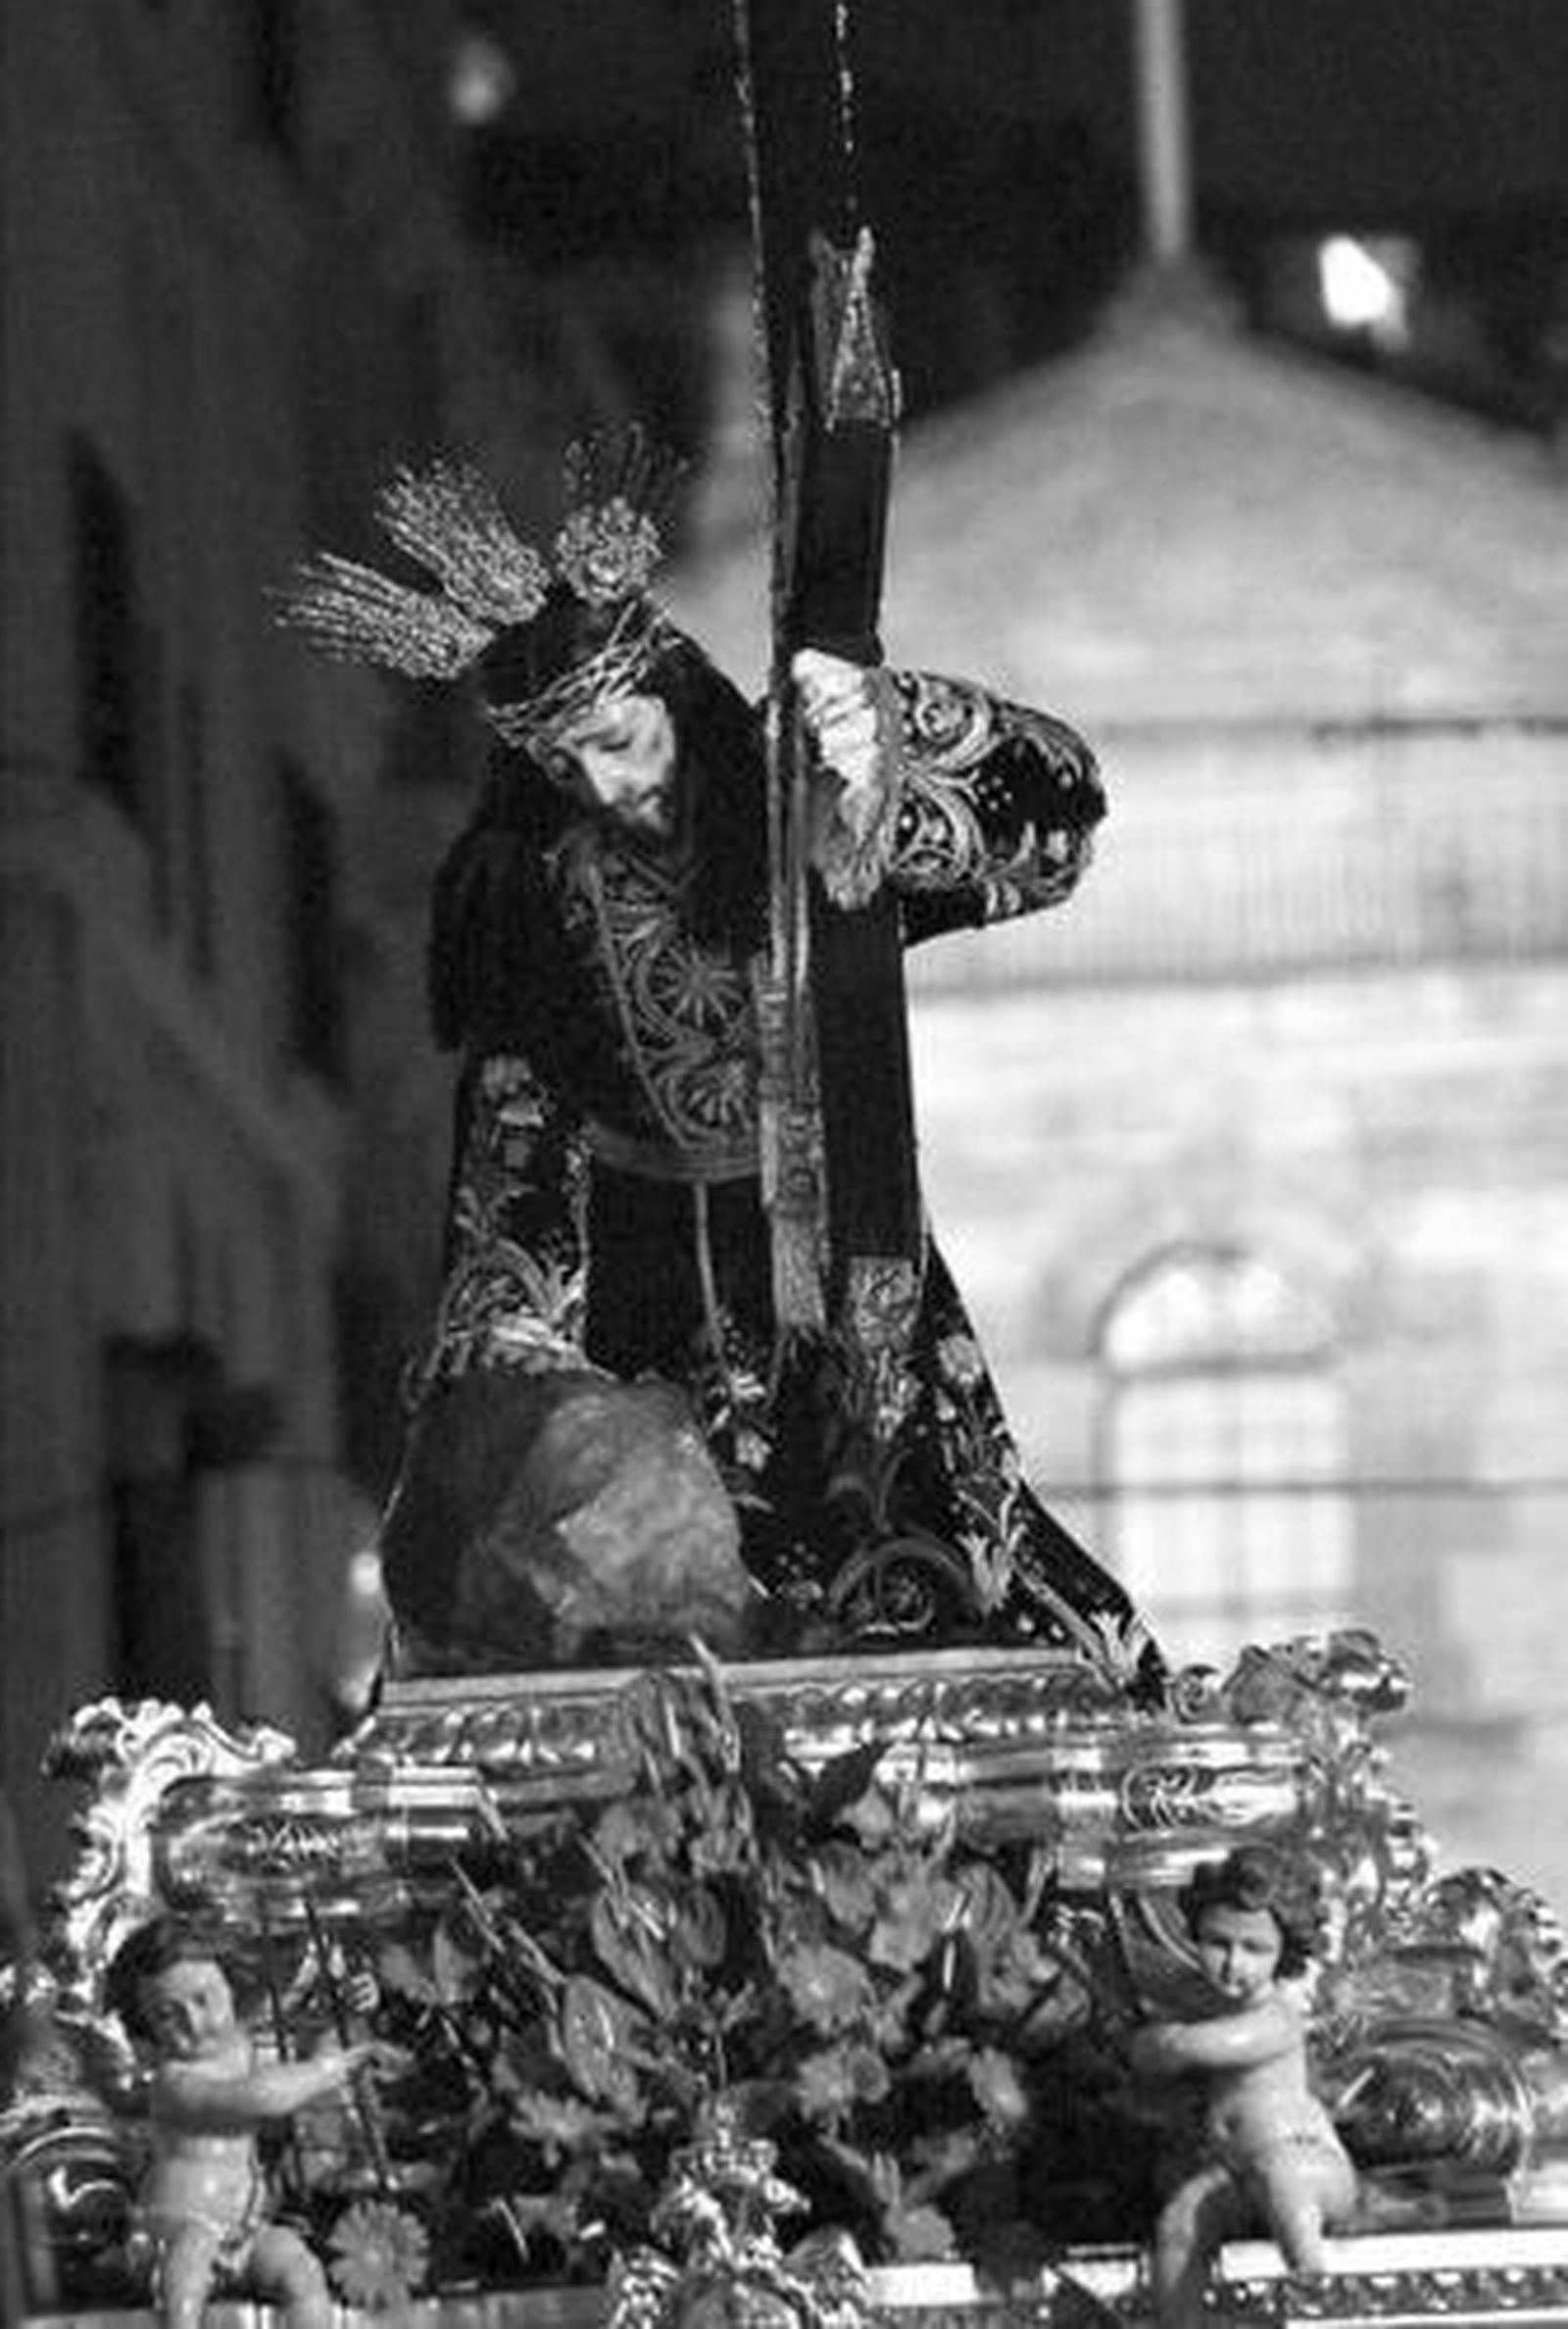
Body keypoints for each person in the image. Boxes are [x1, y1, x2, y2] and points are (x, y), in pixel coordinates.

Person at [283, 440, 1162, 1691]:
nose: (609, 782)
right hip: (643, 1294)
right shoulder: (539, 907)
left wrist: (893, 739)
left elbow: (1048, 838)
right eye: (571, 762)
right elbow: (522, 1123)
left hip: (836, 1267)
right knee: (620, 1596)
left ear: (673, 696)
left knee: (934, 1572)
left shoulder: (797, 822)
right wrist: (519, 1338)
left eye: (623, 739)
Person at [104, 1916, 379, 2328]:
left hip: (243, 2233)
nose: (194, 2023)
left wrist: (353, 2002)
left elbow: (306, 2050)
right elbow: (262, 2097)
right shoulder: (175, 2081)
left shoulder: (245, 2049)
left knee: (299, 2266)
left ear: (231, 1987)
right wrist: (327, 2070)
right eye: (167, 2016)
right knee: (187, 2266)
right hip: (173, 2230)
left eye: (203, 1999)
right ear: (146, 2027)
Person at [1128, 1845, 1356, 2329]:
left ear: (1284, 1953)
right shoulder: (1205, 2004)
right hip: (1236, 2176)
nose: (1233, 1963)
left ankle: (1310, 2271)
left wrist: (1166, 2041)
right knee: (1182, 2222)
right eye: (1218, 1943)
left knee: (1283, 2175)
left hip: (1310, 2164)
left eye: (1255, 1949)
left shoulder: (1276, 2019)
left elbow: (1209, 2046)